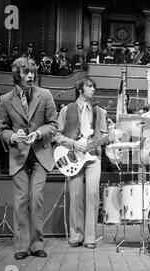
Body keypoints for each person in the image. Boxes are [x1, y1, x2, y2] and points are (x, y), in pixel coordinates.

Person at [0, 57, 58, 260]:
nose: (30, 75)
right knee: (21, 200)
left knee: (36, 198)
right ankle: (22, 246)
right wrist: (13, 136)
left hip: (40, 154)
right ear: (18, 75)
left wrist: (39, 133)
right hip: (18, 155)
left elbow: (53, 124)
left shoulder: (46, 95)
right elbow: (2, 129)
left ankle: (37, 244)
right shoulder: (6, 100)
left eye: (32, 72)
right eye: (26, 72)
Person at [53, 78, 114, 248]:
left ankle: (90, 237)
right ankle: (76, 236)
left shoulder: (99, 111)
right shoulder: (67, 110)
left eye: (94, 86)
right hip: (73, 157)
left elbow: (104, 136)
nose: (93, 89)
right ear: (80, 89)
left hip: (93, 158)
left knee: (93, 196)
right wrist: (74, 144)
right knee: (76, 196)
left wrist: (110, 137)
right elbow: (56, 135)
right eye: (89, 86)